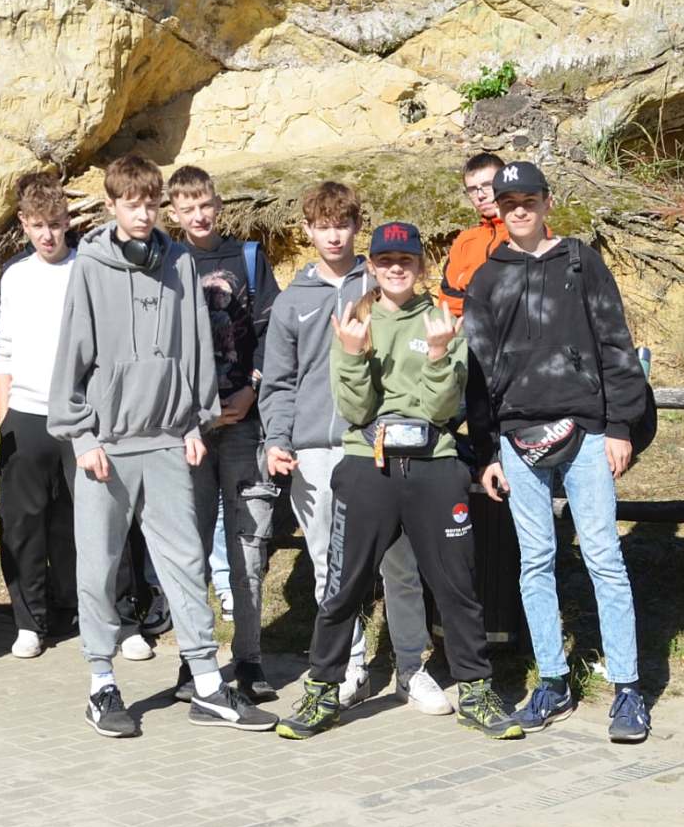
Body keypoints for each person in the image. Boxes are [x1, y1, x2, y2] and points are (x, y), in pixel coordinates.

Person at [48, 153, 277, 737]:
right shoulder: (90, 266)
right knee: (98, 566)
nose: (144, 214)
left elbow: (195, 346)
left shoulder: (178, 262)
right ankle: (101, 683)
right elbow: (71, 352)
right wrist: (81, 434)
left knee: (186, 563)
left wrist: (194, 424)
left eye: (151, 204)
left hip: (169, 441)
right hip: (106, 445)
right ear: (111, 206)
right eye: (133, 205)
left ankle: (207, 685)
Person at [276, 222, 521, 740]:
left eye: (405, 261)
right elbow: (355, 409)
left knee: (456, 586)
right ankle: (322, 691)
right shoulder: (355, 319)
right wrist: (353, 354)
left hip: (434, 466)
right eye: (385, 260)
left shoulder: (441, 321)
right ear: (372, 266)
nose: (395, 269)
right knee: (344, 585)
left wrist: (438, 355)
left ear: (420, 266)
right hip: (369, 465)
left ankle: (476, 691)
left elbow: (441, 409)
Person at [468, 161, 652, 744]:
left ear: (547, 202)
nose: (519, 210)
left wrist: (620, 425)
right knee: (535, 561)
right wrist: (486, 451)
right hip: (515, 438)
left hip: (588, 431)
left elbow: (615, 342)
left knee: (603, 557)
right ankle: (552, 680)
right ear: (496, 209)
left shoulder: (581, 261)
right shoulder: (486, 278)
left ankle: (628, 688)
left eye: (528, 200)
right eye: (508, 202)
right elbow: (477, 371)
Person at [260, 182, 439, 712]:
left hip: (379, 443)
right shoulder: (292, 301)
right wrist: (277, 439)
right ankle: (350, 666)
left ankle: (411, 668)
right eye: (323, 226)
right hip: (315, 449)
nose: (334, 235)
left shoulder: (382, 282)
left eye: (343, 224)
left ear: (358, 226)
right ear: (307, 231)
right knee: (329, 565)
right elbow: (279, 381)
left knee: (399, 563)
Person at [164, 165, 280, 703]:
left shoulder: (248, 258)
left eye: (205, 204)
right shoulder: (167, 263)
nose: (199, 215)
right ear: (174, 213)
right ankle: (196, 660)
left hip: (242, 422)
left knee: (246, 547)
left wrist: (251, 391)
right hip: (189, 427)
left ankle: (250, 657)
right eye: (187, 208)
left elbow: (272, 336)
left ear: (217, 202)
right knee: (189, 548)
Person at [0, 170, 79, 660]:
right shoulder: (15, 276)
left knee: (77, 522)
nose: (48, 235)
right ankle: (30, 621)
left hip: (78, 415)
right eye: (38, 225)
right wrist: (6, 415)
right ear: (24, 223)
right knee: (23, 525)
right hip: (25, 413)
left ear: (68, 221)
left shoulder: (86, 269)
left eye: (56, 224)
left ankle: (86, 610)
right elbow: (3, 348)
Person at [439, 152, 507, 319]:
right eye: (472, 190)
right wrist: (487, 306)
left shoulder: (526, 232)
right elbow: (446, 300)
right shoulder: (465, 240)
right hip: (469, 330)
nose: (480, 195)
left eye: (488, 185)